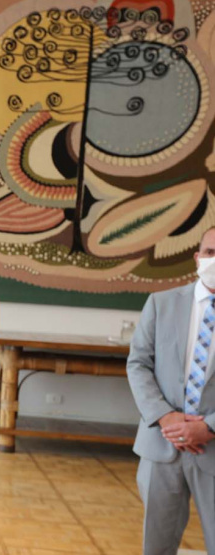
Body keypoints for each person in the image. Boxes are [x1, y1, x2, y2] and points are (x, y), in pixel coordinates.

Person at [128, 226, 215, 554]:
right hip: (161, 446)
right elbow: (138, 364)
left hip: (213, 446)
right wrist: (165, 418)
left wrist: (207, 427)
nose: (214, 260)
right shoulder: (161, 303)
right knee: (157, 545)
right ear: (197, 257)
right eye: (210, 252)